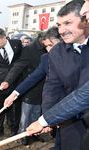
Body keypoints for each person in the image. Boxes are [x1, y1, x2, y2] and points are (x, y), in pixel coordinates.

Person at [41, 0, 89, 149]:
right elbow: (52, 87)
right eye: (59, 25)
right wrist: (48, 117)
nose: (61, 31)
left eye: (68, 23)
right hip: (70, 120)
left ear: (85, 20)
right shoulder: (57, 52)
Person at [4, 27, 61, 145]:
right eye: (46, 47)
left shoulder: (76, 57)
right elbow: (33, 77)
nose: (49, 50)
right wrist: (14, 94)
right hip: (51, 102)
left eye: (52, 45)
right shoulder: (46, 59)